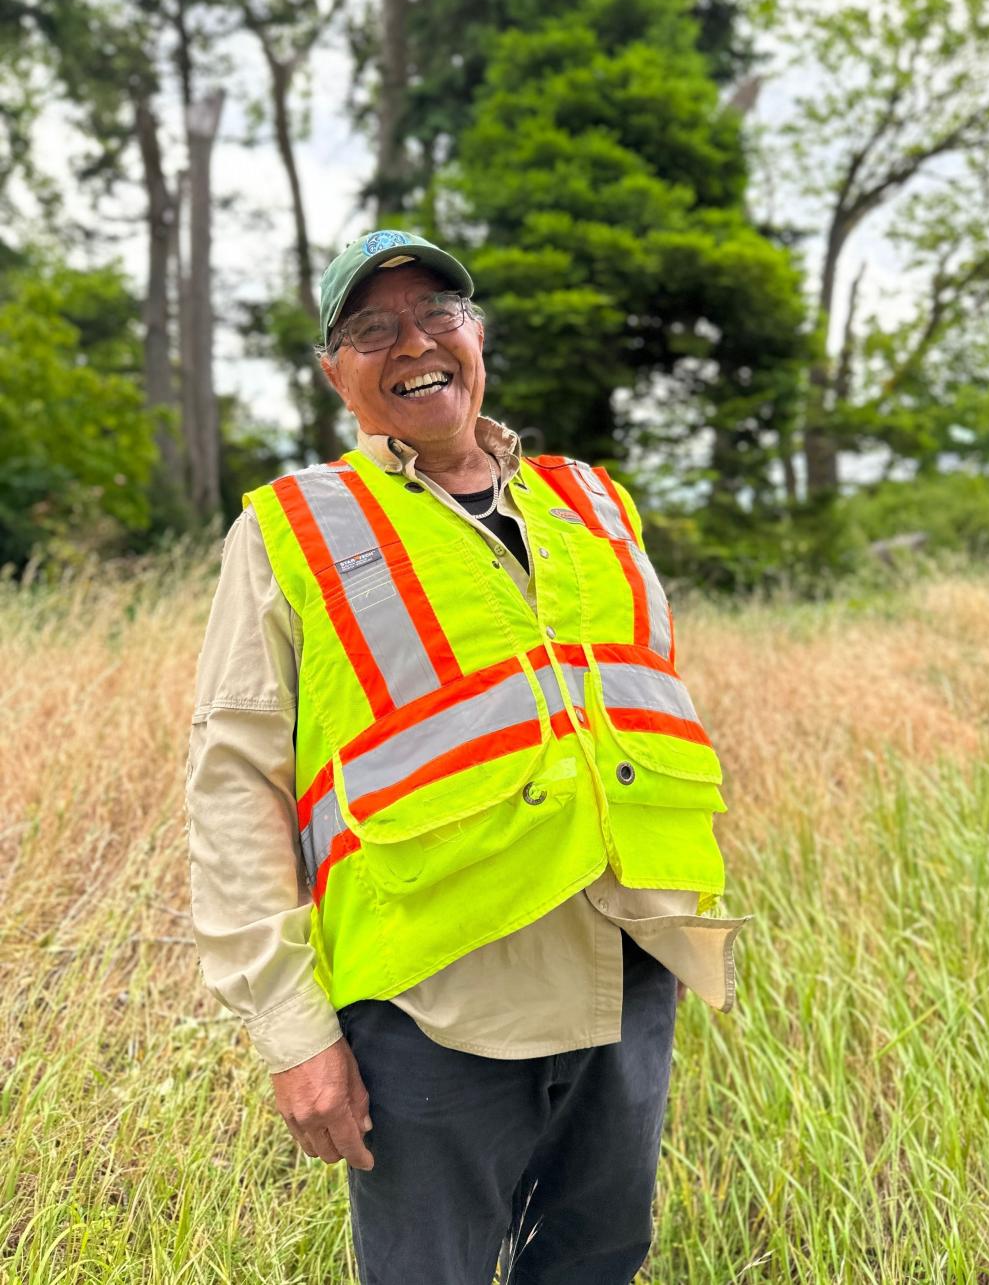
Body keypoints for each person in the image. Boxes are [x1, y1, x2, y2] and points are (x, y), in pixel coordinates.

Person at [186, 228, 750, 1285]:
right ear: (333, 372)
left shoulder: (590, 500)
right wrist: (292, 1028)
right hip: (434, 1002)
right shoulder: (293, 530)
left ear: (476, 334)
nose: (414, 343)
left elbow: (632, 710)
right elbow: (234, 782)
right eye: (371, 329)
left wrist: (671, 913)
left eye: (437, 314)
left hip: (623, 965)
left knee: (595, 1261)